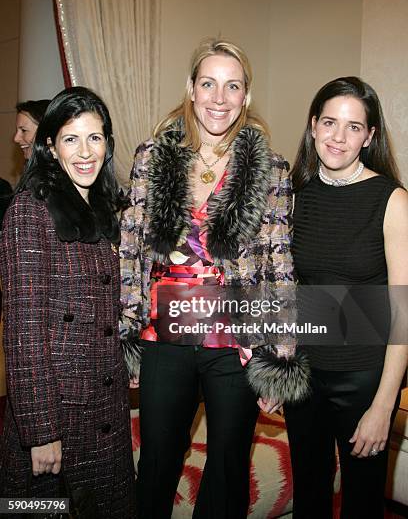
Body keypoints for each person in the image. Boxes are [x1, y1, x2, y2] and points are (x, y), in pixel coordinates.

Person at [120, 38, 310, 518]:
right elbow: (131, 250)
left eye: (232, 86)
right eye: (209, 84)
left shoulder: (271, 170)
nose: (219, 98)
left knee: (228, 465)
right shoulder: (153, 157)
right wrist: (129, 329)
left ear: (246, 96)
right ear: (191, 88)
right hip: (165, 336)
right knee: (159, 459)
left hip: (236, 341)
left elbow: (279, 264)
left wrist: (279, 355)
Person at [0, 87, 137, 517]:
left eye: (95, 138)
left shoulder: (102, 209)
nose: (85, 152)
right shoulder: (29, 212)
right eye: (71, 138)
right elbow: (23, 332)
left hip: (105, 410)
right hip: (56, 417)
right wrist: (40, 431)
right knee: (42, 511)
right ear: (50, 146)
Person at [284, 76, 408, 518]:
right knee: (310, 498)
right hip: (303, 378)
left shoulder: (391, 200)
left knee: (362, 504)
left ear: (370, 136)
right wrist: (274, 369)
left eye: (353, 127)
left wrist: (383, 405)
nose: (338, 137)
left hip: (363, 379)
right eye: (330, 123)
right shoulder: (292, 197)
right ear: (313, 125)